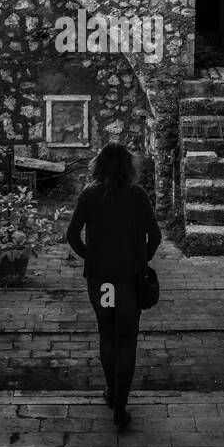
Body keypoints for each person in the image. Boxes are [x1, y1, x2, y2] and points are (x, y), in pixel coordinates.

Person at [66, 143, 162, 430]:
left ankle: (110, 391)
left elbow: (72, 236)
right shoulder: (137, 196)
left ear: (99, 165)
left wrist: (92, 258)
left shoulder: (89, 195)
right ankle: (121, 405)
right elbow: (155, 237)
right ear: (128, 166)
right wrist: (141, 261)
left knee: (107, 337)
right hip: (129, 282)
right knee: (128, 341)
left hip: (101, 282)